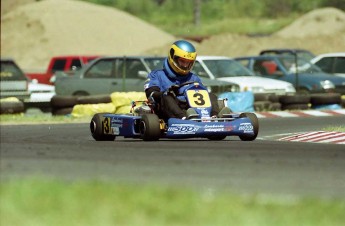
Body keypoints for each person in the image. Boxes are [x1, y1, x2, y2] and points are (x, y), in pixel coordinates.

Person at [144, 40, 226, 120]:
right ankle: (183, 118)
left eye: (188, 62)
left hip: (190, 107)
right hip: (167, 110)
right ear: (173, 57)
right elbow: (151, 95)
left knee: (210, 95)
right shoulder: (156, 75)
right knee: (167, 97)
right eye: (182, 61)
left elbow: (201, 96)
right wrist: (168, 92)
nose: (185, 65)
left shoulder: (193, 78)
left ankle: (214, 116)